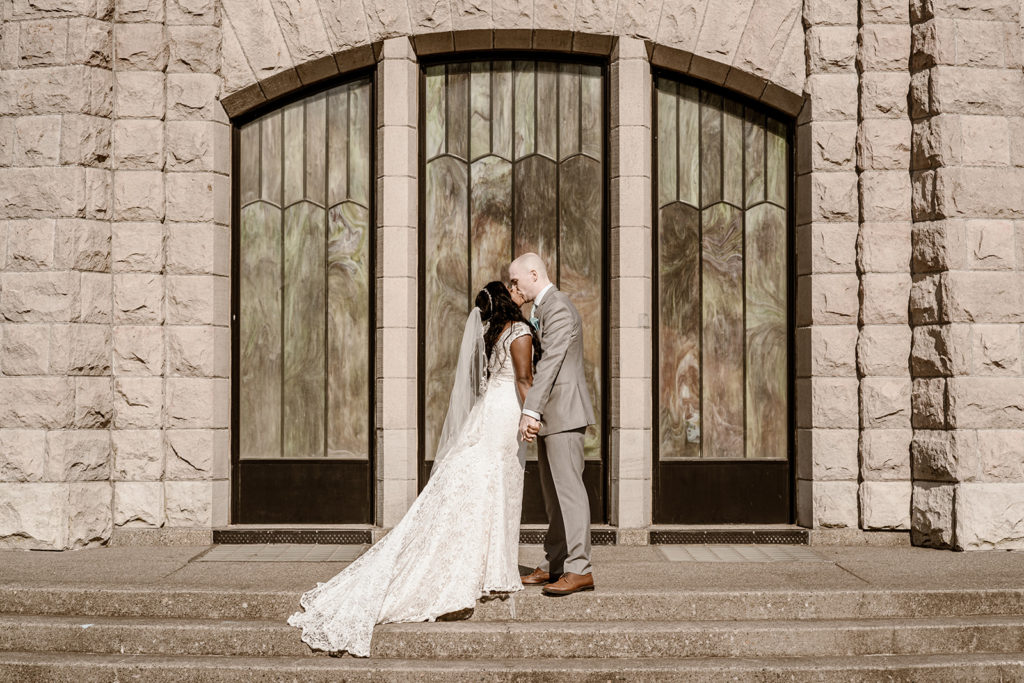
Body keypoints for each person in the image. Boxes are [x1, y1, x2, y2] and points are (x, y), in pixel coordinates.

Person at [288, 281, 538, 657]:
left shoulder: (492, 331)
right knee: (497, 483)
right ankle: (492, 566)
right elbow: (523, 379)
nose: (519, 292)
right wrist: (534, 416)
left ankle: (491, 563)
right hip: (505, 415)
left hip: (488, 413)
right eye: (513, 288)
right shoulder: (518, 331)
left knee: (488, 483)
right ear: (507, 300)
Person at [509, 252, 597, 597]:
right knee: (553, 496)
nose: (514, 286)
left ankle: (580, 568)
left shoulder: (558, 307)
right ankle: (557, 562)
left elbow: (551, 364)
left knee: (570, 493)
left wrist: (530, 410)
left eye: (516, 280)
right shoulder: (540, 310)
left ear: (534, 274)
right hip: (552, 416)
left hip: (565, 414)